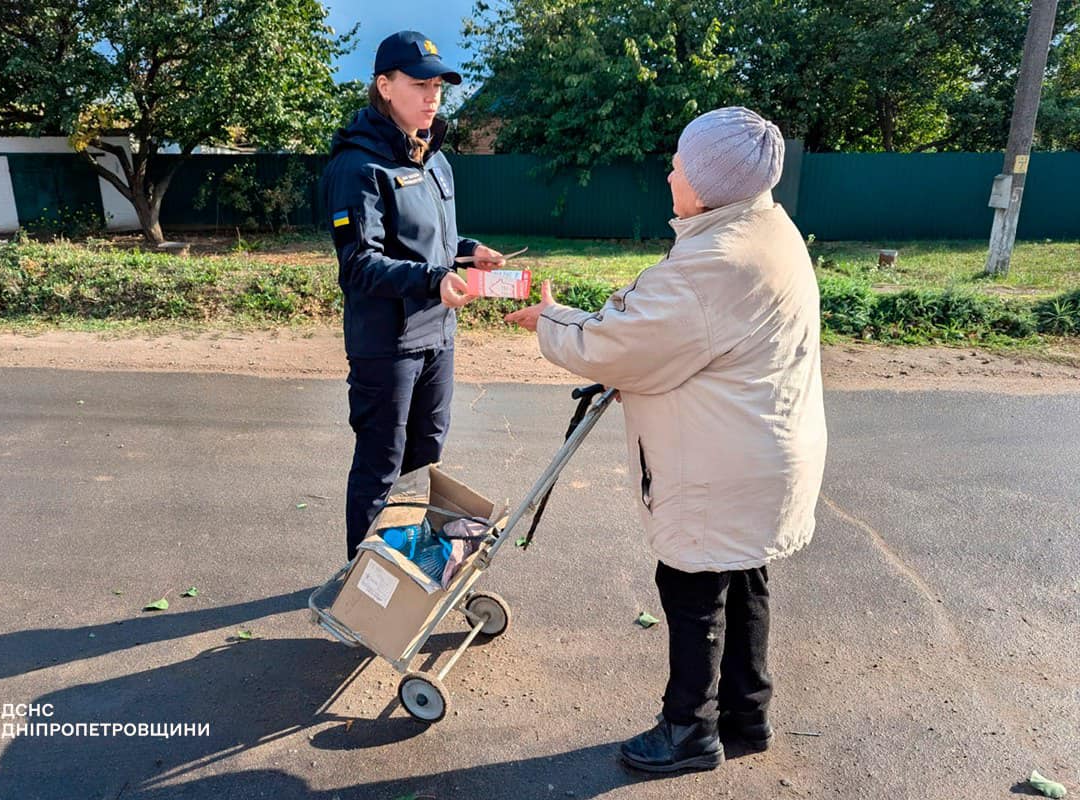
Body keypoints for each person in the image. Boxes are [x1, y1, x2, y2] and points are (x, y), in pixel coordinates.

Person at [506, 107, 827, 774]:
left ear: (709, 182)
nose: (670, 170)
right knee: (743, 580)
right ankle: (748, 711)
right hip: (759, 445)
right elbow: (680, 337)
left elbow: (619, 343)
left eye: (681, 163)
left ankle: (688, 730)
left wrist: (551, 320)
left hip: (721, 463)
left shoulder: (717, 260)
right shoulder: (763, 227)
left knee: (692, 590)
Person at [321, 31, 506, 562]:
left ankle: (405, 568)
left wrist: (470, 252)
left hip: (437, 336)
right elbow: (358, 263)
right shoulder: (359, 167)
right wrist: (431, 280)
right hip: (387, 345)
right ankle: (363, 581)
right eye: (420, 84)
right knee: (382, 464)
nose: (433, 96)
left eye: (439, 86)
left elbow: (436, 243)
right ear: (384, 85)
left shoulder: (435, 159)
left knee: (425, 457)